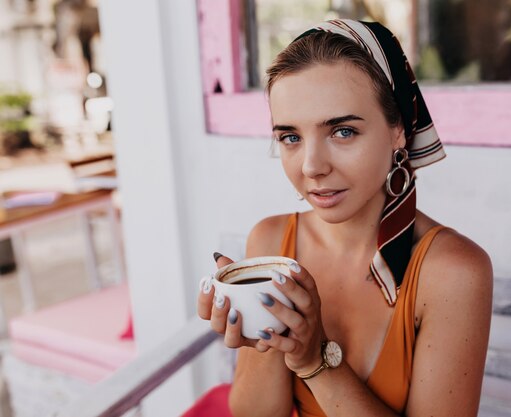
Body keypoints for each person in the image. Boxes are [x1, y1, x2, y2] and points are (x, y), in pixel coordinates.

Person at [197, 19, 493, 417]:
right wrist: (267, 328)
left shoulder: (453, 272)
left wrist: (312, 360)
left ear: (398, 130)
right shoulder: (270, 242)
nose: (312, 167)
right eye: (291, 137)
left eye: (342, 132)